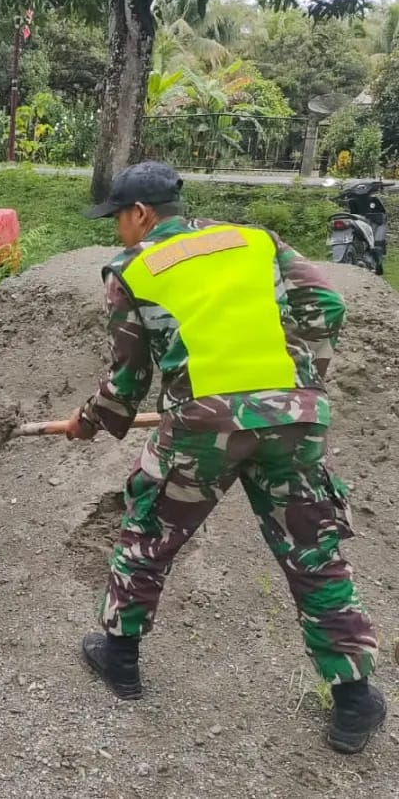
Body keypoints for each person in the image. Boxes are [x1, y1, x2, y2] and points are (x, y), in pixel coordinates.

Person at [65, 161, 386, 754]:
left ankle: (120, 656)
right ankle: (354, 700)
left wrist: (88, 422)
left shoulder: (133, 269)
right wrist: (300, 379)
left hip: (203, 428)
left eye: (118, 219)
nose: (118, 232)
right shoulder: (256, 241)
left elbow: (129, 380)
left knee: (149, 532)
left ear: (141, 214)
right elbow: (327, 310)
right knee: (313, 552)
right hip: (294, 417)